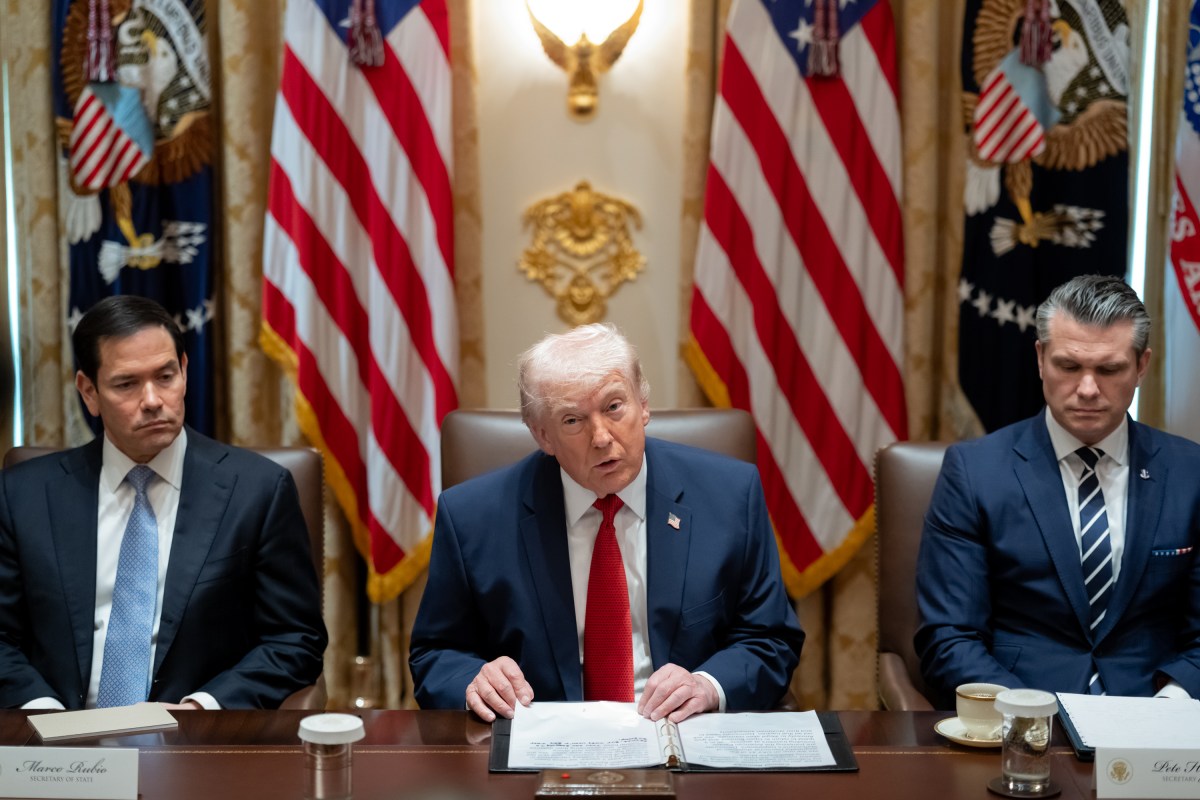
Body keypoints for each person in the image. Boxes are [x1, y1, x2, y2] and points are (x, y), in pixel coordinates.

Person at [410, 323, 803, 723]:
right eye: (572, 421)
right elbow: (436, 654)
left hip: (683, 737)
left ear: (643, 405)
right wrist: (473, 680)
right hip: (542, 745)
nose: (601, 437)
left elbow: (769, 637)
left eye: (614, 407)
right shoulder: (472, 517)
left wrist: (707, 684)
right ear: (542, 435)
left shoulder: (730, 495)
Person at [0, 295, 327, 709]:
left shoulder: (257, 491)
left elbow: (295, 639)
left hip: (195, 745)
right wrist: (41, 713)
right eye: (127, 384)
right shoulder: (22, 496)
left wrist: (204, 709)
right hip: (59, 745)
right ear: (89, 392)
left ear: (185, 373)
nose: (153, 400)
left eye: (166, 376)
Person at [915, 274, 1200, 707]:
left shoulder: (1190, 472)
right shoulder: (975, 472)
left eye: (1109, 369)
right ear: (1040, 358)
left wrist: (1172, 704)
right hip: (1018, 718)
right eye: (1069, 366)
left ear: (1142, 366)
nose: (1087, 389)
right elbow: (949, 637)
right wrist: (1031, 713)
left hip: (1153, 717)